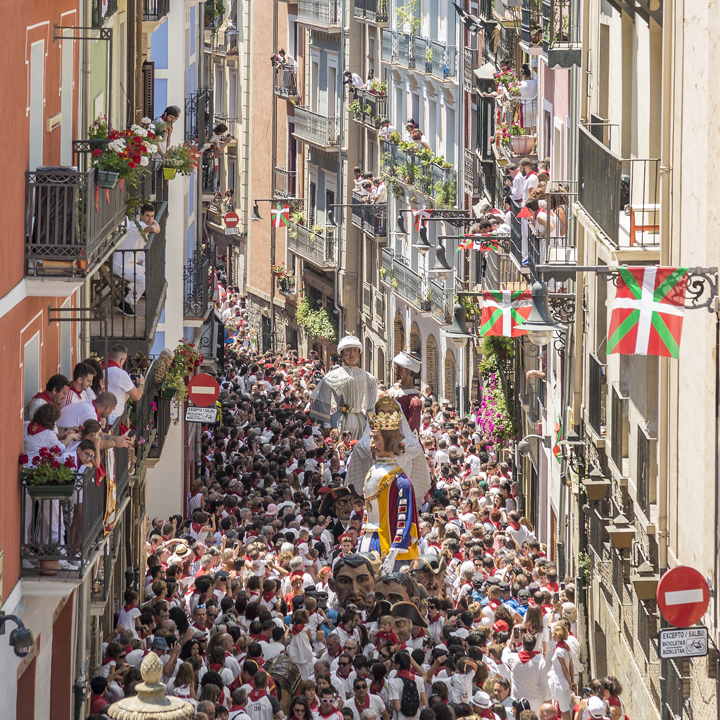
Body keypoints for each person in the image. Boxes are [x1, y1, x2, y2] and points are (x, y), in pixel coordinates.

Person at [309, 335, 377, 441]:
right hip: (338, 421)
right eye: (348, 350)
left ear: (359, 353)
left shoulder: (369, 378)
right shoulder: (331, 376)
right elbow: (324, 401)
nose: (351, 354)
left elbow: (371, 405)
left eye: (355, 350)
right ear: (342, 353)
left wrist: (371, 425)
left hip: (361, 422)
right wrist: (327, 425)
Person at [113, 204, 160, 316]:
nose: (150, 219)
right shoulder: (137, 225)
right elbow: (154, 228)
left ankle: (129, 290)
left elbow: (156, 228)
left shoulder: (142, 225)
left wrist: (155, 222)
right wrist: (155, 223)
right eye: (147, 216)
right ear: (141, 215)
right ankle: (126, 304)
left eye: (152, 216)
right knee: (144, 281)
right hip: (121, 265)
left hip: (129, 264)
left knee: (147, 272)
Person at [104, 344, 146, 423]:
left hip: (102, 419)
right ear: (122, 360)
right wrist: (141, 383)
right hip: (113, 420)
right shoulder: (120, 374)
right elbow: (137, 396)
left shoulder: (100, 368)